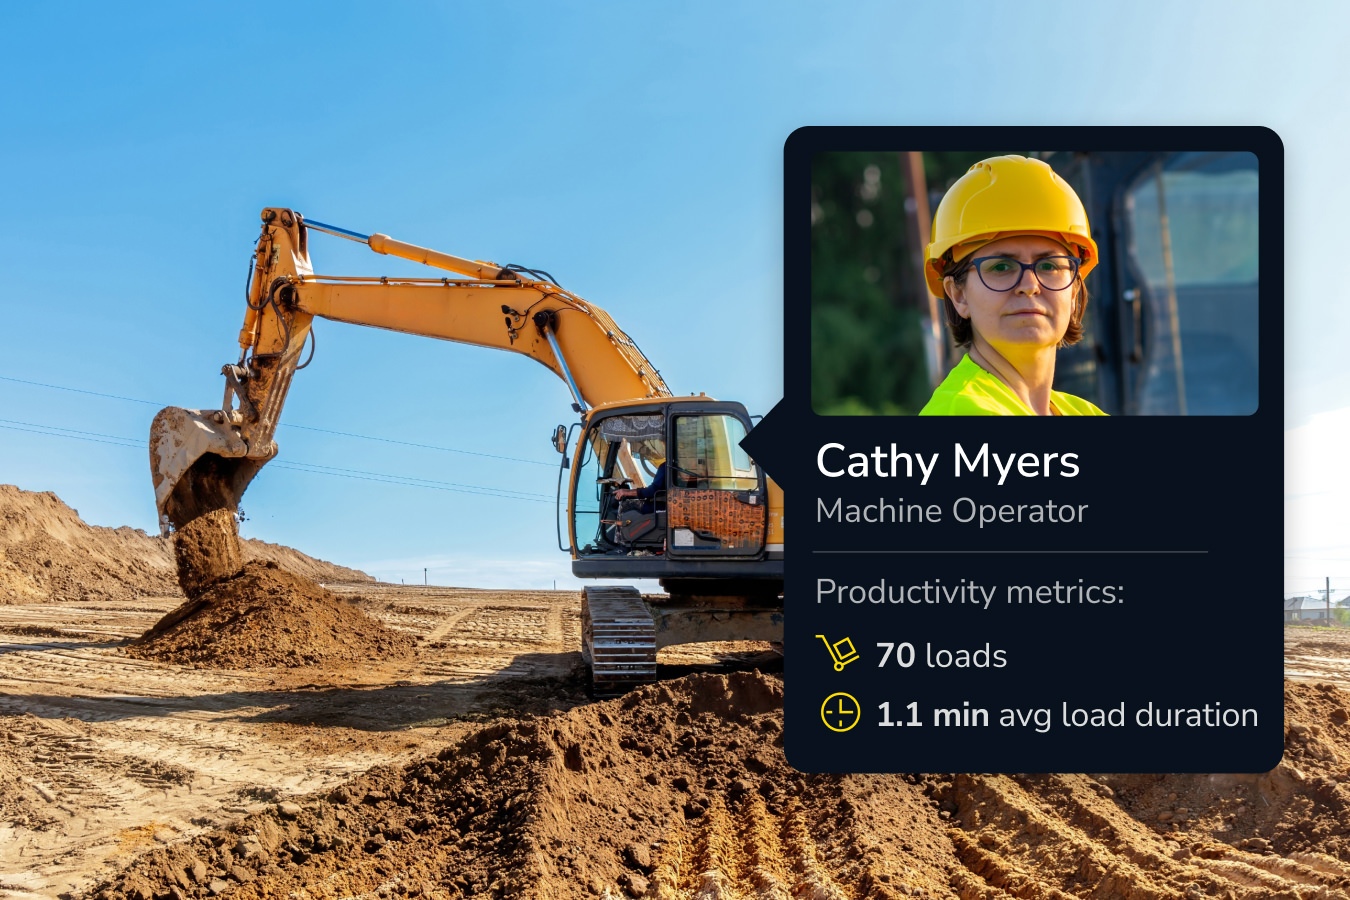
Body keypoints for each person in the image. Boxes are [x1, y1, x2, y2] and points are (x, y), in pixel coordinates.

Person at [919, 155, 1107, 417]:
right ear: (959, 295)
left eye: (1049, 266)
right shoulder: (964, 411)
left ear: (1074, 291)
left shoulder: (1083, 412)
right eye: (1001, 267)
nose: (1029, 285)